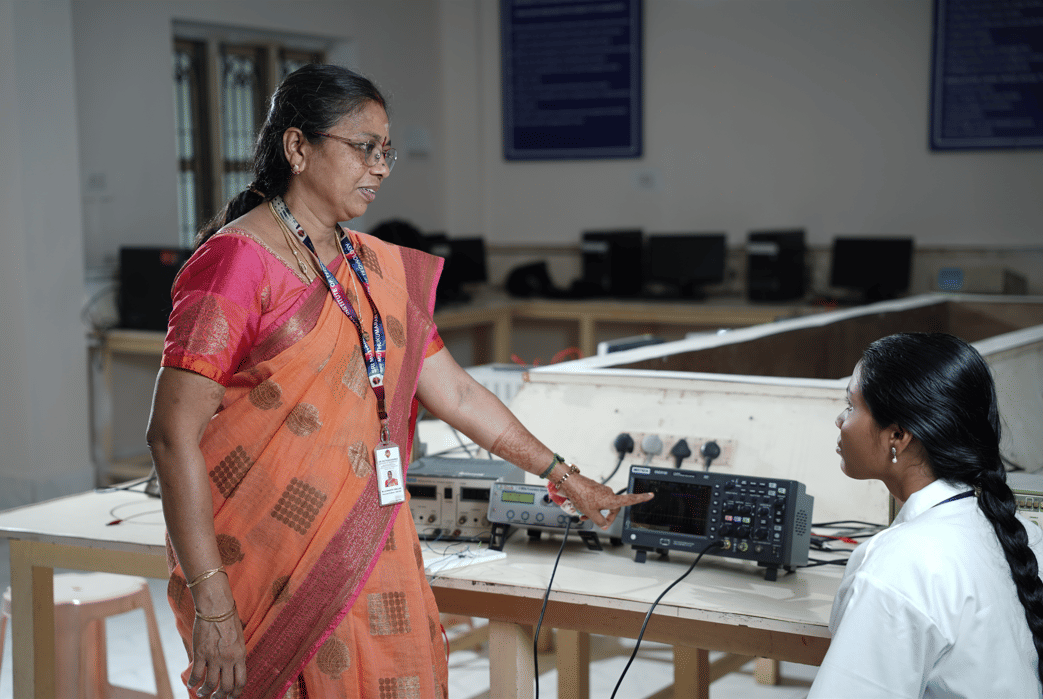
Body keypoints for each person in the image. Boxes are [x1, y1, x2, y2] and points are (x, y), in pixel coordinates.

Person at [145, 63, 652, 699]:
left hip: (371, 541)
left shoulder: (373, 266)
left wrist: (562, 474)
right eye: (364, 148)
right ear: (298, 147)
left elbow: (459, 394)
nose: (381, 167)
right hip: (264, 560)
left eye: (386, 151)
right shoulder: (236, 263)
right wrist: (212, 598)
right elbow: (170, 435)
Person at [808, 332, 1043, 698]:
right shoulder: (1024, 535)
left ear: (898, 435)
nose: (841, 420)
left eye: (851, 405)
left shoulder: (900, 566)